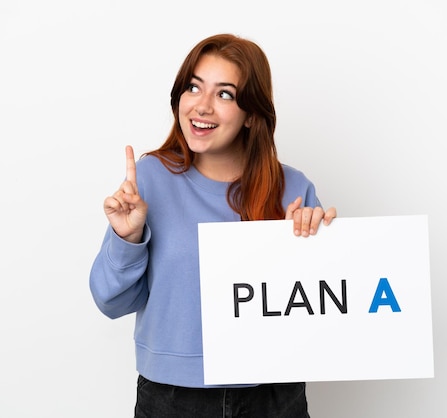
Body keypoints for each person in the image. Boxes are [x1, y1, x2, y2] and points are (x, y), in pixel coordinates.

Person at [89, 33, 336, 418]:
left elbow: (324, 313)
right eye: (193, 87)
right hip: (171, 398)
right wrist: (128, 236)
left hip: (272, 395)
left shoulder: (295, 189)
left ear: (252, 114)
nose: (202, 106)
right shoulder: (150, 179)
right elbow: (110, 301)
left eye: (225, 94)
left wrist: (313, 246)